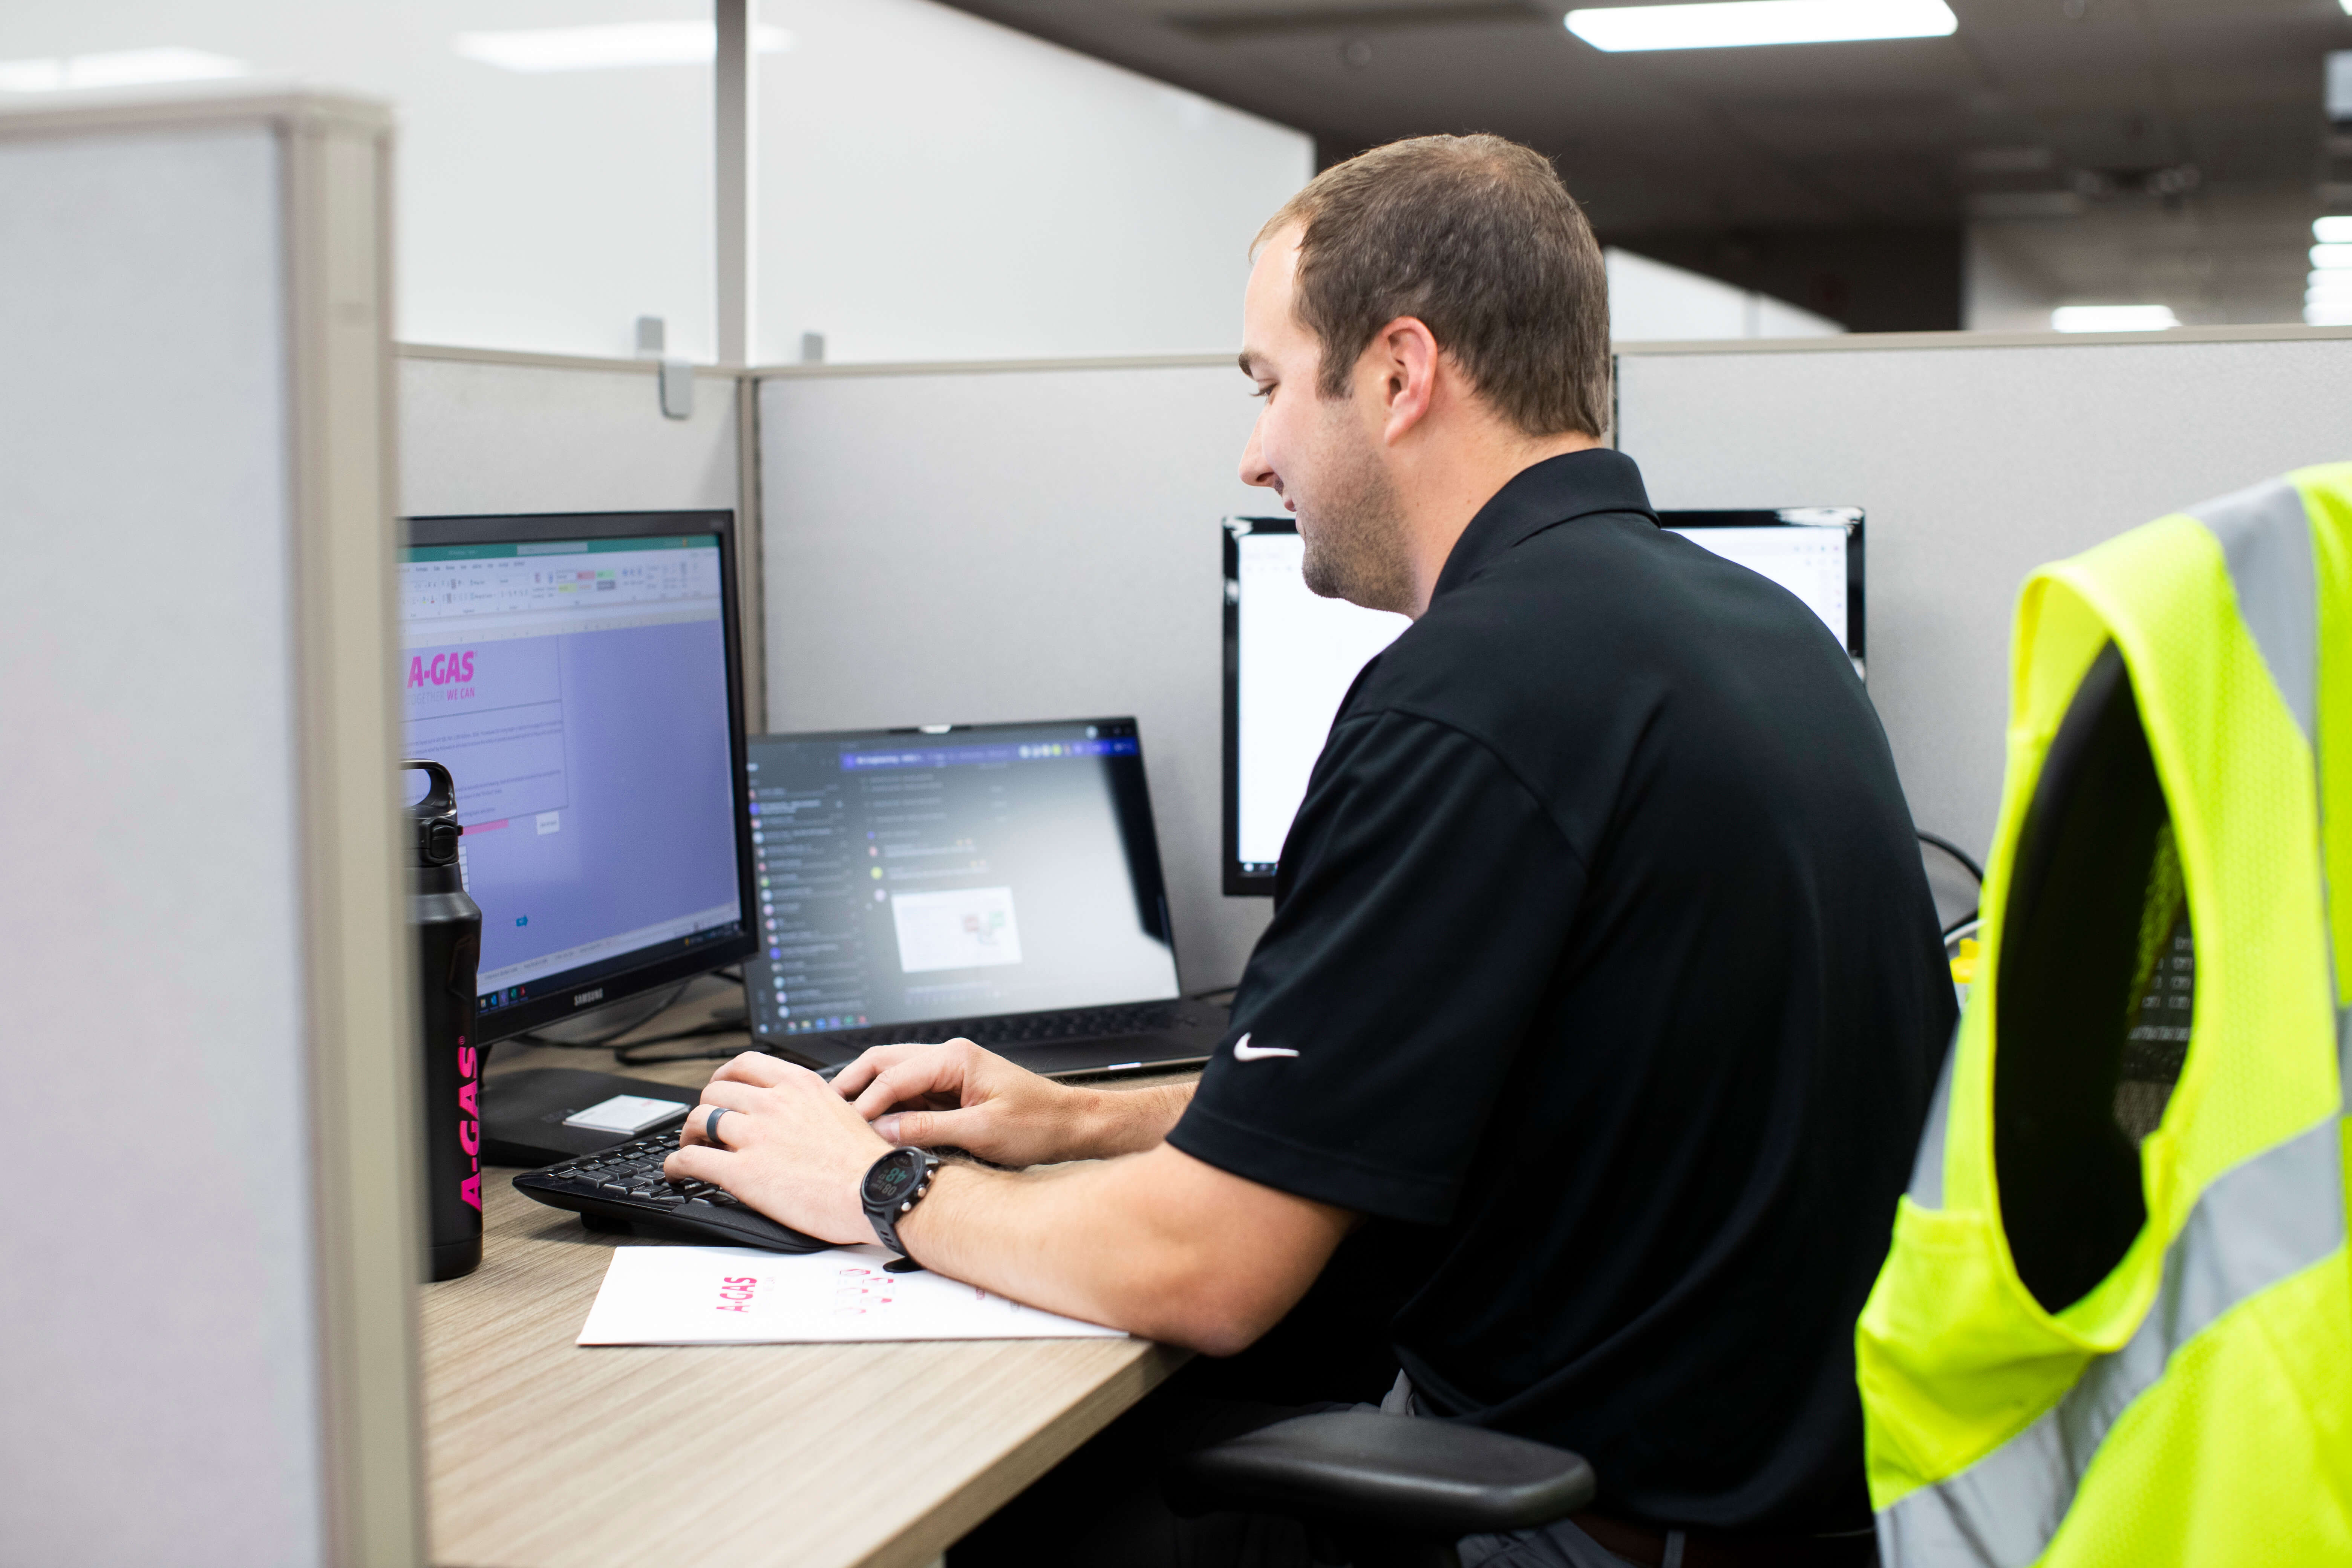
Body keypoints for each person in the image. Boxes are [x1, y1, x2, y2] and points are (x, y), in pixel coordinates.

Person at [663, 134, 1953, 1567]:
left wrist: (874, 1185)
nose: (1255, 452)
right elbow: (1486, 1098)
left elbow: (1204, 1272)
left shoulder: (1473, 696)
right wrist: (1078, 1120)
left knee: (978, 1519)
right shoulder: (1753, 634)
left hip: (1571, 1523)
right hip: (1787, 1503)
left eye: (1270, 385)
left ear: (1401, 375)